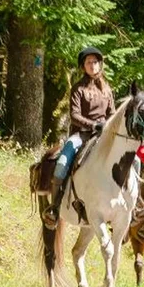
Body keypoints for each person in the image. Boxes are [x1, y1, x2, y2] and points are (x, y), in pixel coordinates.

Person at [42, 46, 115, 227]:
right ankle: (55, 206)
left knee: (131, 158)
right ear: (83, 67)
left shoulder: (107, 89)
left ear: (100, 65)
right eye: (89, 62)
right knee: (62, 161)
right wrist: (93, 125)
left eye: (95, 62)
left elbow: (112, 113)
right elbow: (75, 115)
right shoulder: (78, 88)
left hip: (104, 136)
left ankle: (134, 206)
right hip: (81, 135)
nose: (93, 65)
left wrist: (108, 125)